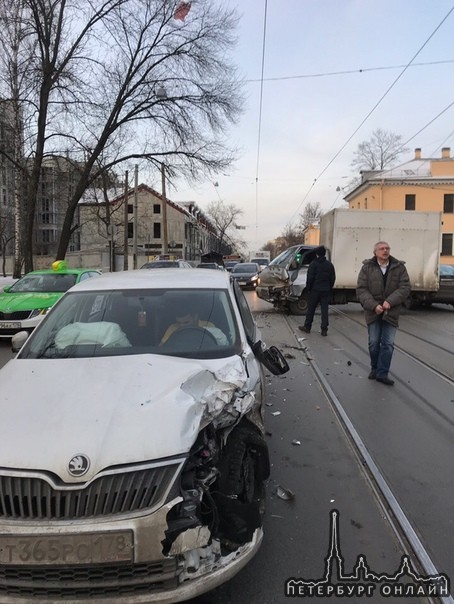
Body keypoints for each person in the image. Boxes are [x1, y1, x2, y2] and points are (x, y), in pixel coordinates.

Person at [356, 241, 410, 386]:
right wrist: (374, 306)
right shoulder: (367, 268)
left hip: (391, 312)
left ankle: (382, 373)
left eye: (387, 248)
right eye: (381, 249)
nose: (385, 251)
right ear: (375, 252)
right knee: (373, 343)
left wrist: (390, 302)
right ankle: (375, 368)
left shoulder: (399, 267)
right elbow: (361, 290)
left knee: (388, 344)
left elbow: (405, 288)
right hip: (373, 312)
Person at [299, 245, 336, 336]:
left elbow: (310, 278)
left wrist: (309, 288)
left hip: (315, 290)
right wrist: (329, 287)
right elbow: (333, 278)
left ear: (316, 254)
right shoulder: (329, 265)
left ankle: (307, 327)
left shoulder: (313, 264)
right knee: (324, 310)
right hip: (325, 290)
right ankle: (324, 329)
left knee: (311, 309)